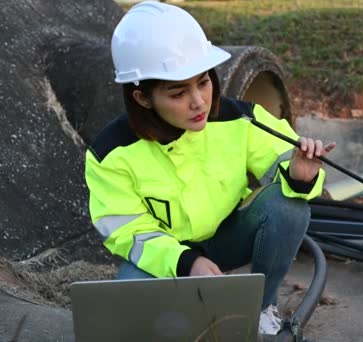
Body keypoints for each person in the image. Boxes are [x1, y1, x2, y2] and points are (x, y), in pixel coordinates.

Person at [84, 1, 335, 336]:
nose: (199, 101)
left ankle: (260, 308)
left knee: (289, 207)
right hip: (166, 255)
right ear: (142, 97)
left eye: (203, 82)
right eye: (178, 92)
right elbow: (127, 233)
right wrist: (186, 263)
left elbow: (284, 164)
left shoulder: (242, 119)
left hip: (228, 238)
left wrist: (300, 176)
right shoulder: (110, 153)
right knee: (134, 310)